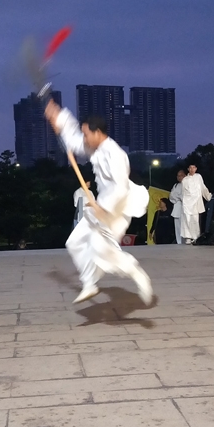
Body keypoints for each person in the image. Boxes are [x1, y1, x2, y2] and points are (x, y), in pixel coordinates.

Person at [45, 100, 152, 304]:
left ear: (98, 132)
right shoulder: (94, 146)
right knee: (74, 242)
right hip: (100, 207)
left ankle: (138, 275)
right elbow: (75, 141)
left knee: (102, 251)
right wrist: (58, 118)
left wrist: (104, 208)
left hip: (116, 211)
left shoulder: (116, 155)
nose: (84, 138)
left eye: (87, 134)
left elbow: (120, 188)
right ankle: (89, 283)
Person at [180, 163, 211, 244]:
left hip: (196, 202)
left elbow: (202, 187)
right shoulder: (185, 180)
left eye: (193, 168)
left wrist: (207, 195)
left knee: (195, 220)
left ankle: (196, 237)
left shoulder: (198, 177)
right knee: (187, 219)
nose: (192, 169)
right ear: (188, 169)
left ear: (196, 169)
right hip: (187, 203)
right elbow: (183, 192)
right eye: (190, 168)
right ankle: (188, 237)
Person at [169, 170, 185, 244]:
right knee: (177, 227)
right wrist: (178, 197)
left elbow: (184, 196)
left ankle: (185, 241)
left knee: (184, 226)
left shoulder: (187, 185)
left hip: (184, 208)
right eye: (178, 176)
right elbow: (171, 196)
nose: (179, 177)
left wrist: (178, 196)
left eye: (181, 175)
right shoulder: (175, 185)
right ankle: (179, 242)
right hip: (177, 207)